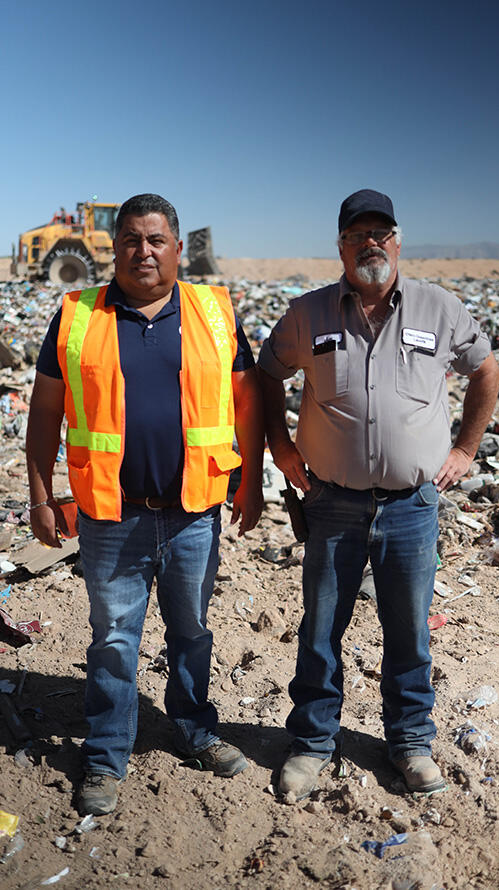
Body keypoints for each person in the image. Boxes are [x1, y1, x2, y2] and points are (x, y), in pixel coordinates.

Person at [258, 189, 499, 800]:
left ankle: (411, 742)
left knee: (408, 631)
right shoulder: (309, 314)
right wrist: (281, 448)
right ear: (340, 246)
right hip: (332, 502)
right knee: (319, 630)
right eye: (357, 234)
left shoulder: (439, 308)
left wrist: (466, 451)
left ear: (397, 241)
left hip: (412, 508)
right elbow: (265, 372)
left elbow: (486, 370)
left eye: (381, 233)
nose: (371, 243)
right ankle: (313, 743)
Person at [26, 193, 264, 816]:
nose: (144, 251)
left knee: (191, 632)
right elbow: (46, 411)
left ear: (178, 249)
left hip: (194, 513)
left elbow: (246, 402)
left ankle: (191, 728)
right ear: (114, 248)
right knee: (113, 640)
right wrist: (41, 494)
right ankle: (106, 753)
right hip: (112, 514)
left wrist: (255, 480)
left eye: (156, 240)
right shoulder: (77, 313)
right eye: (131, 239)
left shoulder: (214, 312)